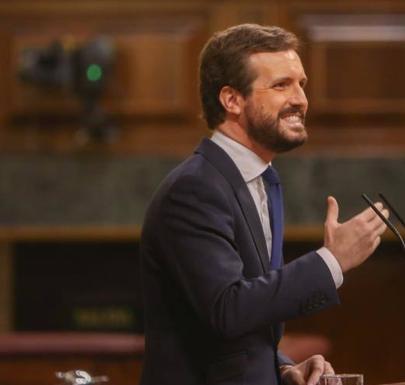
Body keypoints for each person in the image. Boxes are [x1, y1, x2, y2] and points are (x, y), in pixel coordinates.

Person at [139, 24, 389, 385]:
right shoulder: (193, 190)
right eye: (281, 85)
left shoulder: (261, 181)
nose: (300, 99)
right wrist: (332, 261)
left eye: (301, 84)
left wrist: (282, 368)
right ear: (232, 100)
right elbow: (227, 308)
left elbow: (235, 330)